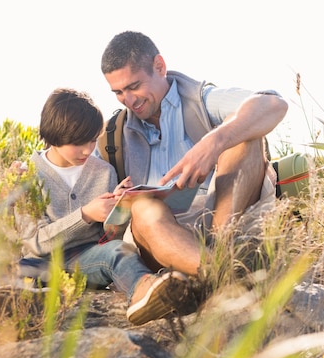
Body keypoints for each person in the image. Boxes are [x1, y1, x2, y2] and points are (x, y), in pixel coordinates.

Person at [0, 87, 194, 326]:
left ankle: (146, 292)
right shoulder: (27, 176)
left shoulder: (103, 172)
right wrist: (85, 215)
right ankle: (30, 301)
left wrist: (118, 208)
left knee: (119, 251)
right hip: (38, 263)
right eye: (79, 143)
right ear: (55, 135)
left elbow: (108, 240)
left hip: (88, 262)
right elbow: (35, 243)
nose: (88, 150)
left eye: (92, 140)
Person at [98, 31, 288, 282]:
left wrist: (213, 143)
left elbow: (274, 104)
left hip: (224, 220)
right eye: (119, 92)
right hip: (160, 237)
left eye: (134, 86)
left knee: (241, 131)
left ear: (160, 66)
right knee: (144, 210)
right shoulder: (111, 135)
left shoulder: (201, 99)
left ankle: (218, 255)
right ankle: (221, 275)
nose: (129, 100)